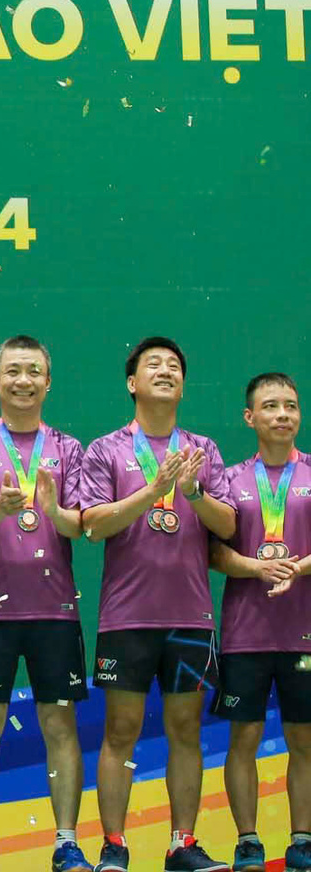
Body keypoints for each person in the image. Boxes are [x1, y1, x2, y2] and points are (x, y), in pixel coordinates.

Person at [75, 336, 233, 872]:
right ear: (132, 383)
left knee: (186, 731)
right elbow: (93, 524)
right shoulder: (106, 450)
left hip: (190, 616)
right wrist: (153, 490)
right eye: (153, 365)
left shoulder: (204, 450)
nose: (165, 372)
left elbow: (229, 525)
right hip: (126, 617)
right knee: (120, 732)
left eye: (173, 366)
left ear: (183, 384)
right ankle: (114, 846)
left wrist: (191, 492)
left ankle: (181, 844)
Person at [0, 337, 92, 872]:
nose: (23, 380)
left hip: (57, 610)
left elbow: (81, 524)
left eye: (34, 371)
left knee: (60, 727)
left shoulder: (71, 449)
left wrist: (53, 512)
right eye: (13, 371)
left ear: (48, 382)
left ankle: (67, 842)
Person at [210, 373, 311, 872]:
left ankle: (303, 840)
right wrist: (257, 567)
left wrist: (299, 567)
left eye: (291, 406)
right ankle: (247, 840)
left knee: (304, 740)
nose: (283, 415)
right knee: (243, 739)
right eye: (271, 406)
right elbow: (215, 553)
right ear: (250, 418)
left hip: (304, 632)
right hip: (245, 633)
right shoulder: (229, 480)